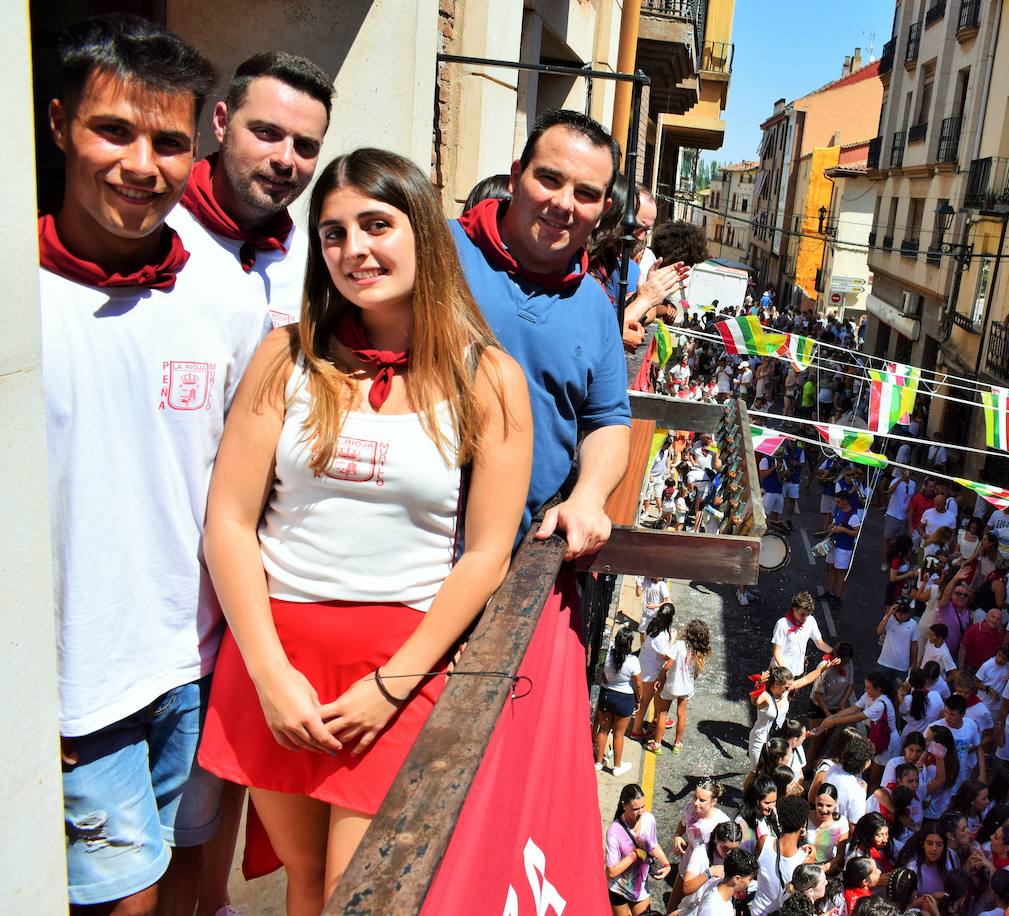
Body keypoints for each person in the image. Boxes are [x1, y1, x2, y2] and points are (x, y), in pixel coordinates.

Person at [198, 147, 532, 910]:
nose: (354, 250)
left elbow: (485, 554)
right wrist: (269, 673)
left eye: (376, 225)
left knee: (361, 894)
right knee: (305, 884)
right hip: (275, 658)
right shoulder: (286, 359)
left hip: (399, 663)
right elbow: (230, 519)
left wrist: (395, 683)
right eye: (333, 233)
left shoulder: (490, 380)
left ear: (421, 230)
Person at [41, 15, 228, 913]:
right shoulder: (18, 293)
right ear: (56, 125)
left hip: (195, 672)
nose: (142, 165)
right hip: (76, 695)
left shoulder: (222, 299)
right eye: (112, 130)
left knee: (193, 885)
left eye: (168, 142)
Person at [451, 108, 632, 555]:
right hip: (400, 548)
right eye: (549, 179)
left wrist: (588, 495)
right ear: (516, 177)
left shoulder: (595, 305)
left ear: (603, 209)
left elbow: (608, 419)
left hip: (510, 560)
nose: (564, 204)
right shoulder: (439, 249)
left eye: (586, 193)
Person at [168, 51, 333, 330]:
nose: (284, 159)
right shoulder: (152, 230)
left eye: (305, 146)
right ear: (222, 122)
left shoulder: (315, 268)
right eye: (267, 132)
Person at [750, 663, 835, 766]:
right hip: (760, 739)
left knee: (774, 769)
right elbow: (754, 701)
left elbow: (807, 679)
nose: (789, 689)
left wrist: (825, 667)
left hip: (777, 738)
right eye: (786, 687)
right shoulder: (765, 696)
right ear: (776, 684)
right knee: (756, 770)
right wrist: (758, 685)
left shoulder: (785, 692)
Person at [606, 783, 672, 915]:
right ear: (624, 805)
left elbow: (653, 845)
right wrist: (636, 854)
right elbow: (611, 872)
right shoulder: (614, 830)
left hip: (640, 888)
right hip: (618, 888)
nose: (641, 812)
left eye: (643, 807)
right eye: (636, 809)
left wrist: (666, 863)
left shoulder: (649, 820)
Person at [754, 797, 818, 915]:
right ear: (803, 824)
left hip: (758, 910)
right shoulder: (806, 860)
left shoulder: (763, 842)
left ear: (780, 821)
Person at [659, 619, 713, 753]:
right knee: (681, 715)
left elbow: (667, 665)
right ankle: (677, 743)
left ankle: (657, 744)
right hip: (686, 687)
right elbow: (696, 673)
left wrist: (660, 678)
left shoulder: (679, 645)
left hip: (672, 684)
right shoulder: (698, 652)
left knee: (663, 713)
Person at [594, 628, 643, 775]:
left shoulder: (608, 654)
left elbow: (601, 671)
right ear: (629, 644)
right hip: (625, 699)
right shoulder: (633, 661)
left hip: (606, 695)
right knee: (618, 734)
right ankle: (617, 766)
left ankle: (598, 761)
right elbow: (638, 684)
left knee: (603, 730)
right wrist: (638, 700)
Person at [630, 603, 677, 745]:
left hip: (645, 666)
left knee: (657, 695)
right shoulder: (661, 636)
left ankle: (657, 719)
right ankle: (636, 730)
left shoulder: (653, 626)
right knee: (644, 701)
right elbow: (665, 656)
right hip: (650, 673)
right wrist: (673, 640)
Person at [774, 592, 835, 678]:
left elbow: (820, 643)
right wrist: (785, 673)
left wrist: (835, 652)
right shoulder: (782, 624)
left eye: (808, 614)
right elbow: (777, 651)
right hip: (781, 671)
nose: (805, 618)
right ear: (794, 609)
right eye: (802, 614)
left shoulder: (811, 621)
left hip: (798, 670)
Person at [823, 489, 866, 605]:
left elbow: (856, 533)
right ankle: (830, 592)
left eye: (839, 502)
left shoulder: (854, 517)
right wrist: (831, 525)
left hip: (844, 548)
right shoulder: (839, 510)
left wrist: (843, 530)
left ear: (845, 501)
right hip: (834, 543)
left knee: (840, 573)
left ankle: (838, 598)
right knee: (830, 568)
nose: (837, 504)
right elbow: (835, 522)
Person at [681, 820, 743, 898]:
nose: (729, 852)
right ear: (716, 839)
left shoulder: (736, 856)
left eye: (734, 849)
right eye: (725, 848)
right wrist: (709, 873)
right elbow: (686, 888)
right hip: (696, 905)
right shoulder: (701, 853)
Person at [693, 848, 760, 916]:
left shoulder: (718, 884)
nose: (751, 883)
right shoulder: (713, 909)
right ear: (736, 879)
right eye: (749, 879)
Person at [877, 601, 921, 685]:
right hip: (885, 662)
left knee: (899, 691)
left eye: (904, 614)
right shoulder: (889, 619)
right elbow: (879, 631)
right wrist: (888, 614)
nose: (901, 616)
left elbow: (914, 645)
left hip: (902, 667)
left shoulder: (913, 624)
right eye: (899, 613)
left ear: (908, 613)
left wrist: (913, 665)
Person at [960, 607, 1006, 674]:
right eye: (993, 617)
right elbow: (963, 648)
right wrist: (961, 669)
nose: (995, 620)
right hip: (971, 668)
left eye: (998, 619)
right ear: (986, 617)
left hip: (988, 670)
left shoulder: (1000, 633)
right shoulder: (974, 630)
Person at [884, 468, 920, 555]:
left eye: (907, 471)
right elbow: (888, 492)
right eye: (904, 470)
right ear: (901, 471)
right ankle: (885, 561)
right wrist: (900, 480)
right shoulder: (895, 481)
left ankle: (895, 561)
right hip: (893, 515)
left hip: (904, 518)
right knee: (887, 539)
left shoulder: (913, 484)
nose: (906, 472)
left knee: (900, 541)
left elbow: (912, 499)